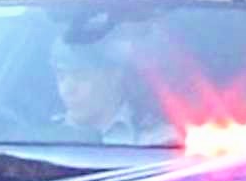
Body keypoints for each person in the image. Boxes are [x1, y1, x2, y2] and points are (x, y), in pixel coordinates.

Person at [48, 28, 177, 145]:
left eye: (81, 76)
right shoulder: (45, 137)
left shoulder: (159, 141)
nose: (67, 90)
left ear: (114, 75)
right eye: (61, 76)